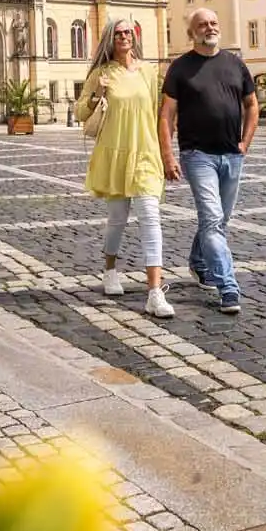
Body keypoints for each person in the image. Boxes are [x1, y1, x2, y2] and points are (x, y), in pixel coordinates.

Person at [160, 7, 258, 315]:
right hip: (197, 155)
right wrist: (167, 154)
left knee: (218, 220)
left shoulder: (236, 64)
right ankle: (228, 286)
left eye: (214, 23)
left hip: (232, 154)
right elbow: (166, 116)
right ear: (192, 33)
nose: (210, 28)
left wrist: (245, 142)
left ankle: (198, 262)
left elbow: (252, 105)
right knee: (214, 220)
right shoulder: (180, 68)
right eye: (202, 25)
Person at [75, 17, 172, 318]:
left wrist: (166, 152)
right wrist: (96, 95)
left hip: (145, 153)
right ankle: (109, 269)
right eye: (118, 34)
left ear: (134, 37)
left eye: (128, 32)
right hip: (115, 153)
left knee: (150, 218)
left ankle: (155, 292)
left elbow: (162, 112)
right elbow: (80, 111)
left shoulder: (149, 71)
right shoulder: (102, 73)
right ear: (109, 39)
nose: (124, 37)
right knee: (117, 219)